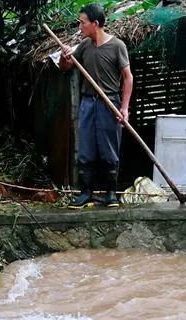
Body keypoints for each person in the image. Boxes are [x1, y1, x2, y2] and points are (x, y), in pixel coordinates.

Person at [60, 3, 133, 208]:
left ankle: (110, 193)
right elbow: (64, 67)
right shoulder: (84, 46)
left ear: (96, 23)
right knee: (86, 148)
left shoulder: (117, 46)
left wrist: (124, 108)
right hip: (87, 102)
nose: (80, 26)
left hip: (109, 102)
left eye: (83, 22)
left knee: (109, 148)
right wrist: (64, 57)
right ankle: (85, 193)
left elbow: (128, 78)